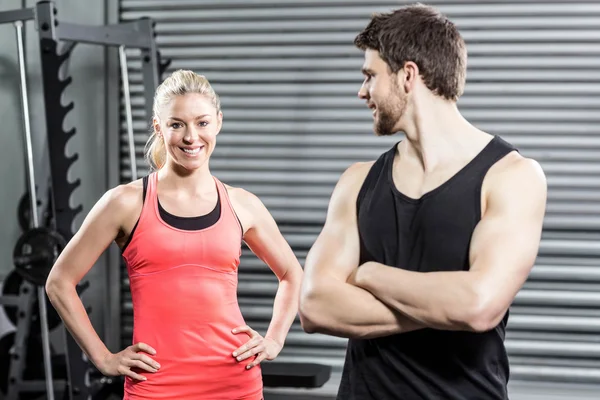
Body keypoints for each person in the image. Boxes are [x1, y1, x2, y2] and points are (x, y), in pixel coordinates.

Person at [299, 4, 547, 400]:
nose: (361, 92)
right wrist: (444, 309)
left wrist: (369, 275)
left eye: (370, 76)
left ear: (408, 76)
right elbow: (315, 305)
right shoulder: (358, 181)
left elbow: (479, 305)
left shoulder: (511, 176)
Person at [45, 69, 304, 399]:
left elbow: (291, 273)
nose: (191, 137)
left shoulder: (242, 204)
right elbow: (59, 281)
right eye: (176, 124)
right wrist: (103, 358)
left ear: (218, 123)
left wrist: (274, 339)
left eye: (202, 123)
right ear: (158, 127)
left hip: (233, 381)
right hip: (155, 385)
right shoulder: (126, 202)